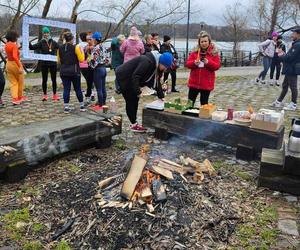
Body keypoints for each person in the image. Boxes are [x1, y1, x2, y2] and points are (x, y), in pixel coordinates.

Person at [115, 51, 173, 132]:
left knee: (135, 99)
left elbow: (157, 81)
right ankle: (133, 125)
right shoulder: (146, 61)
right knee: (131, 100)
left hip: (132, 78)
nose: (165, 69)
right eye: (165, 66)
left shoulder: (156, 64)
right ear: (161, 62)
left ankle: (134, 123)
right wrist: (138, 92)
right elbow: (136, 76)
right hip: (124, 77)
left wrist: (161, 96)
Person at [186, 31, 221, 107]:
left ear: (209, 41)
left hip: (206, 84)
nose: (203, 43)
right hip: (194, 83)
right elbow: (188, 64)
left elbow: (217, 66)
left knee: (204, 105)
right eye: (202, 41)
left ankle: (202, 117)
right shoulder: (194, 52)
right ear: (199, 42)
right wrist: (194, 63)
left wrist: (208, 63)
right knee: (189, 104)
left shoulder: (214, 53)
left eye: (205, 41)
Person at [271, 27, 300, 111]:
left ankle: (293, 104)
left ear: (298, 34)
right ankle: (278, 102)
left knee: (293, 86)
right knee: (285, 85)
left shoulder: (298, 45)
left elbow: (290, 58)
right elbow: (290, 56)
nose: (292, 35)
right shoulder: (296, 43)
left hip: (292, 69)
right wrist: (284, 54)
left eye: (293, 33)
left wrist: (281, 54)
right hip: (289, 68)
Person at [57, 32, 86, 113]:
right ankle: (82, 106)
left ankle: (66, 107)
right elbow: (81, 59)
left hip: (63, 71)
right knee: (77, 89)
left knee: (66, 89)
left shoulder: (60, 48)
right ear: (72, 39)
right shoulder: (76, 47)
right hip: (74, 71)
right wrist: (82, 51)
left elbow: (58, 61)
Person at [29, 27, 59, 101]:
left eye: (47, 33)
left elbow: (60, 48)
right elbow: (32, 47)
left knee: (54, 80)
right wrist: (27, 42)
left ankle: (54, 95)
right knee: (44, 80)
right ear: (43, 34)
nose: (46, 34)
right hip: (44, 64)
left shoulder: (53, 42)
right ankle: (45, 95)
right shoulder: (41, 42)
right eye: (44, 33)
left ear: (49, 33)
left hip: (53, 64)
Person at [5, 30, 26, 105]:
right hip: (15, 64)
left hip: (8, 64)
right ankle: (20, 97)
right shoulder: (13, 45)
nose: (17, 38)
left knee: (13, 82)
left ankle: (15, 98)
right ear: (14, 37)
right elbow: (15, 56)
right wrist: (20, 66)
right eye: (16, 37)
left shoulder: (6, 44)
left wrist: (17, 47)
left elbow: (11, 53)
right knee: (20, 81)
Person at [89, 31, 110, 111]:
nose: (92, 40)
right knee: (103, 87)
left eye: (92, 38)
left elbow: (93, 62)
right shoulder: (103, 47)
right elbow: (107, 59)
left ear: (95, 39)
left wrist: (89, 64)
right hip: (104, 68)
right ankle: (103, 102)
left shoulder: (95, 48)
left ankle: (100, 105)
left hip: (98, 69)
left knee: (99, 89)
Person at [78, 32, 94, 103]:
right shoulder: (89, 45)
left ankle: (90, 94)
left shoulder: (78, 45)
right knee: (90, 81)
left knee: (89, 80)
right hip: (88, 64)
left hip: (81, 65)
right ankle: (89, 95)